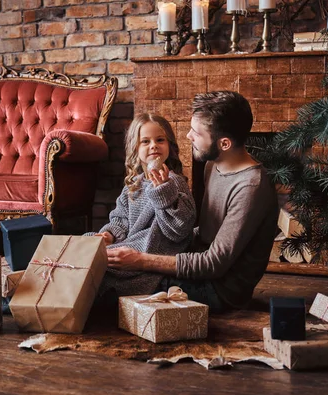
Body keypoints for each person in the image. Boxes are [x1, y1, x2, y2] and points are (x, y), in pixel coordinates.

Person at [106, 91, 279, 312]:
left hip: (219, 290)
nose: (187, 136)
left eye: (196, 133)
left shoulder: (250, 187)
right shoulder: (213, 163)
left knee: (111, 282)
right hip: (198, 265)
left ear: (224, 143)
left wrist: (140, 260)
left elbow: (212, 264)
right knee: (111, 267)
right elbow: (200, 231)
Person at [87, 113, 196, 297]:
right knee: (86, 245)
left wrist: (163, 191)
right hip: (130, 243)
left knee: (99, 267)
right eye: (145, 141)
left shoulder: (174, 182)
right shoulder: (134, 184)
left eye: (160, 140)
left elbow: (179, 230)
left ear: (169, 145)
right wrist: (110, 235)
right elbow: (120, 219)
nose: (154, 145)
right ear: (135, 148)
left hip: (152, 250)